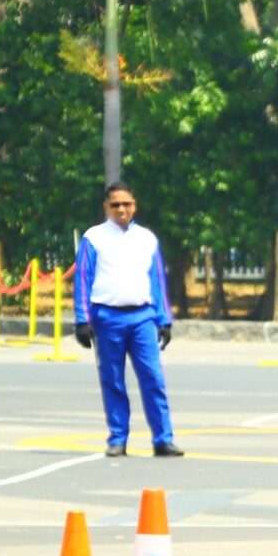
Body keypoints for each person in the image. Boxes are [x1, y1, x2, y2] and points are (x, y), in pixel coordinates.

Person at [74, 182, 183, 458]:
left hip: (142, 317)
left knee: (153, 378)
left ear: (135, 205)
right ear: (106, 207)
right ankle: (118, 438)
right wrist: (81, 320)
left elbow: (157, 280)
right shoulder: (94, 237)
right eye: (115, 205)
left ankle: (163, 438)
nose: (122, 209)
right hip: (107, 317)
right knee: (112, 379)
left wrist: (164, 319)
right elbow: (83, 280)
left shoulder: (146, 239)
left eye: (127, 204)